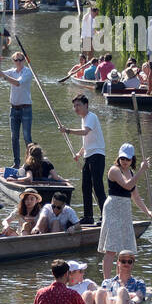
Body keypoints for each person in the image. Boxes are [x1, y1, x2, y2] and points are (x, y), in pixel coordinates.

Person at [97, 143, 152, 279]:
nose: (124, 162)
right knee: (111, 248)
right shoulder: (114, 170)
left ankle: (121, 279)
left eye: (127, 159)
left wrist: (148, 212)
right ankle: (106, 281)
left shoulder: (131, 173)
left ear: (132, 160)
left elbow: (136, 197)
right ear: (119, 158)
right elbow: (128, 185)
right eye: (122, 158)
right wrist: (142, 170)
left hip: (124, 210)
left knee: (124, 250)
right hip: (113, 208)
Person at [60, 93, 107, 226]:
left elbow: (85, 132)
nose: (76, 108)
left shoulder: (91, 116)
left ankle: (105, 216)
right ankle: (88, 217)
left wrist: (67, 130)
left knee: (98, 187)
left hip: (97, 156)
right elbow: (87, 140)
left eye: (78, 105)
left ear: (86, 105)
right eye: (74, 106)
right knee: (85, 187)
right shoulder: (84, 118)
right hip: (89, 156)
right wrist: (79, 154)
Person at [0, 51, 34, 168]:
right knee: (14, 137)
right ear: (13, 61)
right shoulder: (12, 72)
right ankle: (16, 163)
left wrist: (4, 76)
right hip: (14, 109)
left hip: (25, 109)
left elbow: (18, 83)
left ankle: (30, 163)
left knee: (27, 137)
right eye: (16, 60)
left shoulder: (27, 72)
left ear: (24, 60)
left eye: (20, 59)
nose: (18, 62)